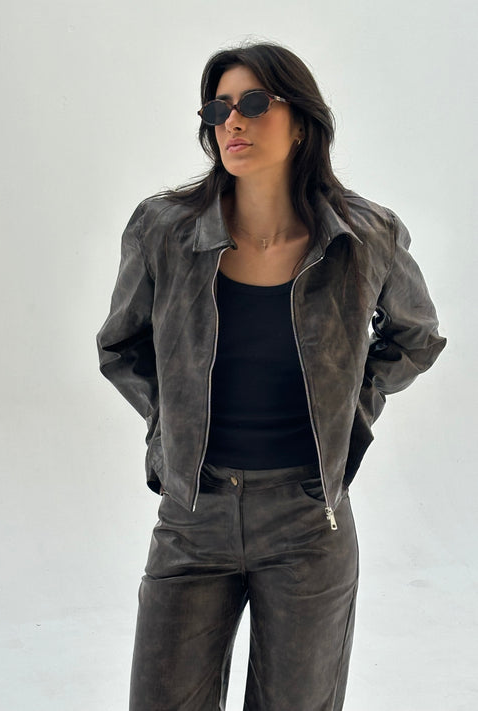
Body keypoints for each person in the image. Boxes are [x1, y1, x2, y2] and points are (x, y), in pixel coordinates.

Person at [96, 42, 446, 711]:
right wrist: (168, 434)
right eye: (218, 108)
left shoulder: (364, 235)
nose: (232, 121)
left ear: (302, 120)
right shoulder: (163, 229)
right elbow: (121, 345)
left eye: (254, 103)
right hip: (191, 516)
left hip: (308, 522)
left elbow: (415, 336)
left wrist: (351, 412)